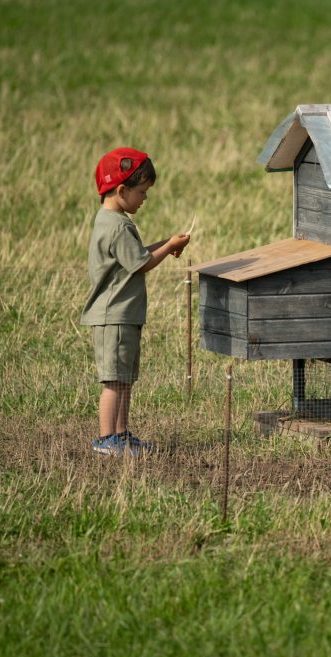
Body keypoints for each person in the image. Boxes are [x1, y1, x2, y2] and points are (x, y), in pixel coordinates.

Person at [80, 147, 190, 455]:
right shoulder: (117, 227)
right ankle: (106, 440)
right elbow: (141, 264)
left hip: (123, 315)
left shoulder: (111, 220)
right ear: (121, 190)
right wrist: (168, 247)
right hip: (114, 316)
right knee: (114, 380)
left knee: (124, 378)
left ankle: (121, 434)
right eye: (142, 192)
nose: (144, 198)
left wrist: (167, 245)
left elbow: (138, 256)